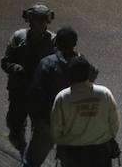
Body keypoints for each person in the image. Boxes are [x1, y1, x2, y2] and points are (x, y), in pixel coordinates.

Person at [25, 27, 98, 167]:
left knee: (32, 162)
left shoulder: (47, 63)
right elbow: (87, 92)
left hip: (48, 122)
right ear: (75, 43)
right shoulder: (83, 64)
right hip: (73, 125)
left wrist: (37, 120)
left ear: (56, 42)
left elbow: (34, 94)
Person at [0, 3, 56, 153]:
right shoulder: (19, 37)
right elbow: (5, 61)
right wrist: (15, 68)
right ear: (30, 21)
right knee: (15, 124)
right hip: (20, 89)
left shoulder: (53, 41)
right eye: (37, 20)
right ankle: (20, 146)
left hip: (41, 92)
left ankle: (32, 155)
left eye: (44, 20)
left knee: (40, 128)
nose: (41, 24)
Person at [51, 56, 120, 167]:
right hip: (101, 151)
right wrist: (107, 137)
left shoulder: (63, 97)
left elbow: (56, 128)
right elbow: (114, 122)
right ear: (89, 73)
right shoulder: (104, 93)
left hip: (73, 153)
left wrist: (63, 142)